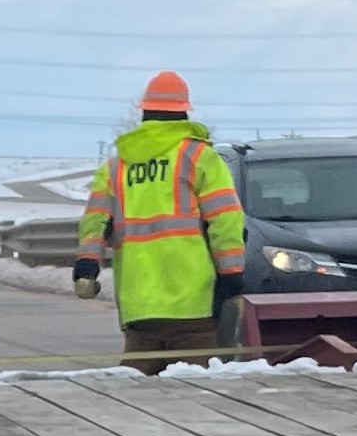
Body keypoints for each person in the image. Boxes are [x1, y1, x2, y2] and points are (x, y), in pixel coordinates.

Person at [73, 70, 246, 375]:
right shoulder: (198, 156)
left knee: (139, 396)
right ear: (183, 113)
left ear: (145, 112)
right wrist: (231, 272)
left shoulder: (117, 166)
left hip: (139, 304)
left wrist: (87, 265)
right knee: (195, 394)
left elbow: (95, 221)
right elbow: (225, 218)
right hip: (194, 303)